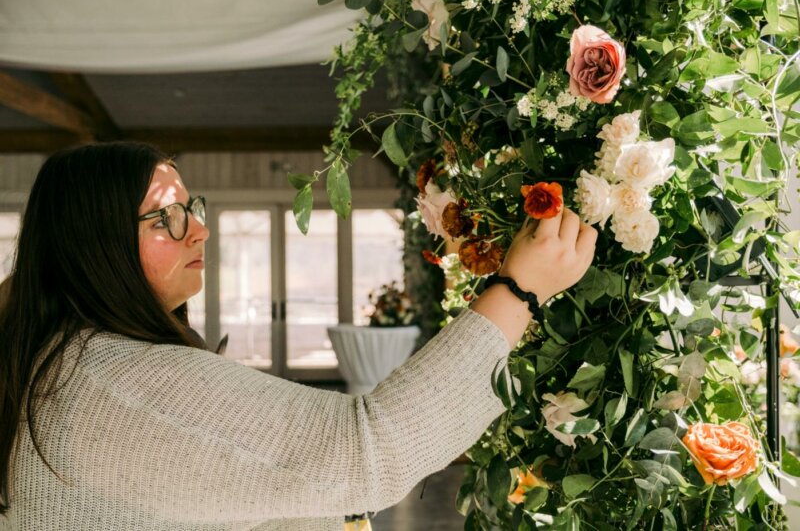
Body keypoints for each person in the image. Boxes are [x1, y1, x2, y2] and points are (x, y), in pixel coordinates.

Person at [0, 142, 597, 530]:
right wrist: (519, 290)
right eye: (167, 216)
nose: (200, 230)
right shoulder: (112, 383)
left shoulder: (67, 363)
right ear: (93, 241)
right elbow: (365, 450)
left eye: (192, 207)